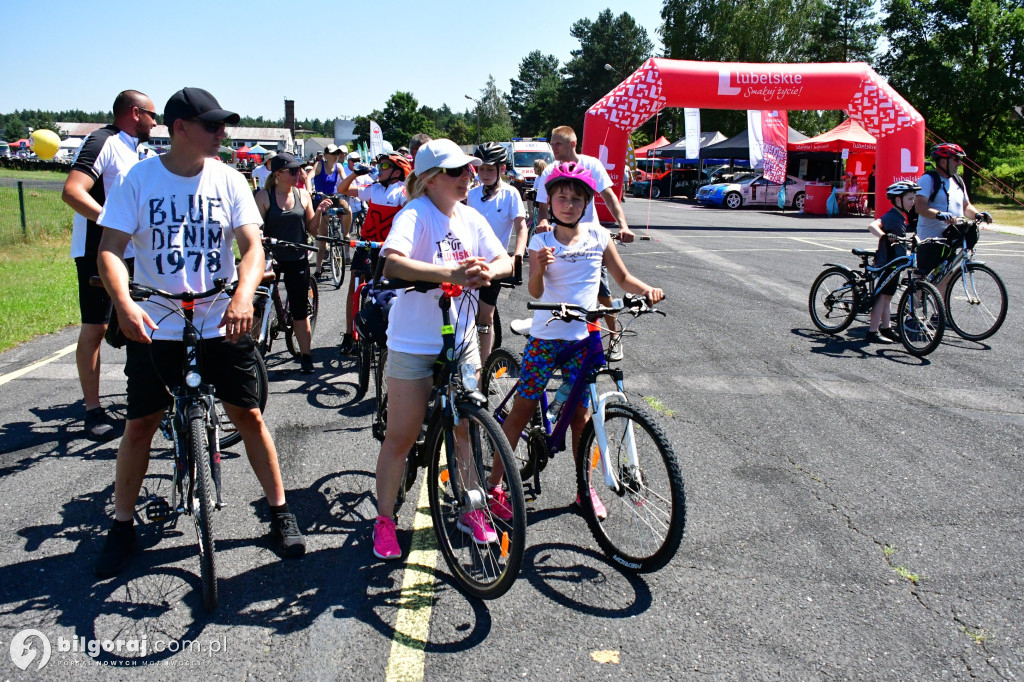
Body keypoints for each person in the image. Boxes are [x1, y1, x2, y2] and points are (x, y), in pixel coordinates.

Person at [93, 87, 306, 577]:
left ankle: (279, 512)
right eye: (212, 126)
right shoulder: (137, 180)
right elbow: (110, 248)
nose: (221, 133)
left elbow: (252, 248)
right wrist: (123, 303)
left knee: (249, 416)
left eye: (222, 125)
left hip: (220, 316)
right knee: (140, 425)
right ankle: (121, 526)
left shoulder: (229, 180)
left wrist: (242, 295)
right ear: (180, 127)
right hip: (157, 321)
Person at [491, 162, 662, 520]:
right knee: (522, 411)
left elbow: (623, 277)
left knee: (581, 419)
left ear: (586, 204)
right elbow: (535, 290)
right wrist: (538, 268)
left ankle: (585, 491)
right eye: (561, 197)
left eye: (576, 199)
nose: (568, 204)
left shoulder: (599, 237)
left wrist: (646, 291)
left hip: (583, 339)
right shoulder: (541, 240)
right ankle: (495, 486)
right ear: (550, 201)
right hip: (546, 338)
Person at [371, 139, 512, 559]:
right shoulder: (416, 213)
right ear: (430, 180)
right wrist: (446, 272)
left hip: (462, 339)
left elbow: (504, 260)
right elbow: (391, 263)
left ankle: (471, 506)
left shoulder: (470, 216)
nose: (468, 176)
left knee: (465, 425)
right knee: (401, 436)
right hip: (415, 342)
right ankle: (384, 521)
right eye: (457, 172)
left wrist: (488, 268)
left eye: (469, 170)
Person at [61, 89, 158, 441]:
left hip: (136, 254)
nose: (155, 121)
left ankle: (142, 400)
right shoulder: (102, 141)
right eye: (152, 114)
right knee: (95, 328)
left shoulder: (139, 151)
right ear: (134, 113)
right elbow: (73, 190)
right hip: (97, 250)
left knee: (141, 324)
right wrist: (111, 221)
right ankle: (92, 409)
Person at [534, 126, 635, 361]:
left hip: (589, 242)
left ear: (572, 144)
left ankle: (614, 336)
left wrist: (623, 225)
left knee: (602, 291)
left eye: (557, 144)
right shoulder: (549, 170)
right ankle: (553, 339)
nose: (553, 148)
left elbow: (609, 196)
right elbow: (542, 208)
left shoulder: (592, 165)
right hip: (559, 239)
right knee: (552, 289)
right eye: (552, 144)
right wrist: (543, 223)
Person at [255, 152, 332, 373]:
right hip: (271, 257)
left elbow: (311, 229)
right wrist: (257, 235)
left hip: (297, 257)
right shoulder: (264, 197)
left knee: (299, 310)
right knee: (258, 304)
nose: (298, 174)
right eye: (293, 170)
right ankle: (253, 351)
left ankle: (306, 355)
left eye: (299, 169)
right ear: (277, 174)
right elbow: (254, 227)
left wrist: (318, 213)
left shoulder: (302, 195)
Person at [336, 151, 410, 355]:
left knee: (388, 291)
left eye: (385, 166)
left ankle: (389, 332)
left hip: (387, 247)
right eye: (380, 165)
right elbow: (342, 188)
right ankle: (350, 334)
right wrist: (355, 174)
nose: (380, 169)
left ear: (397, 171)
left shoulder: (402, 193)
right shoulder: (374, 189)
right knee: (354, 286)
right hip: (367, 243)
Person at [466, 142, 527, 363]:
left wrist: (517, 256)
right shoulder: (471, 195)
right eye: (481, 169)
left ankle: (482, 372)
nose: (485, 174)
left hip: (493, 264)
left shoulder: (510, 194)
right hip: (467, 261)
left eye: (490, 169)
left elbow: (521, 227)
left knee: (484, 317)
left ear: (501, 168)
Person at [914, 143, 993, 284]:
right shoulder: (928, 179)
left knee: (945, 279)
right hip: (930, 240)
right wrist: (939, 214)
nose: (959, 163)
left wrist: (977, 215)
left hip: (950, 239)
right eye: (956, 159)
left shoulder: (958, 180)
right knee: (922, 281)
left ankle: (941, 307)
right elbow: (920, 207)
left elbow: (966, 206)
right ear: (943, 161)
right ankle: (909, 304)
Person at [864, 181, 921, 344]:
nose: (913, 202)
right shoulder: (891, 216)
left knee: (888, 296)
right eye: (910, 199)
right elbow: (872, 225)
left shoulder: (900, 217)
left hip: (896, 263)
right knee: (881, 297)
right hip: (887, 263)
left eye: (913, 199)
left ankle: (886, 327)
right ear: (898, 200)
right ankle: (872, 331)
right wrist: (883, 235)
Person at [310, 144, 346, 276]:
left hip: (334, 198)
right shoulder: (319, 165)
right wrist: (309, 190)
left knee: (347, 207)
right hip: (321, 200)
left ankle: (346, 234)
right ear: (326, 155)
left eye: (337, 153)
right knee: (323, 237)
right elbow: (309, 177)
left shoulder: (339, 166)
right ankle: (318, 268)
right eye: (333, 153)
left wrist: (350, 188)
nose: (336, 156)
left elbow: (344, 179)